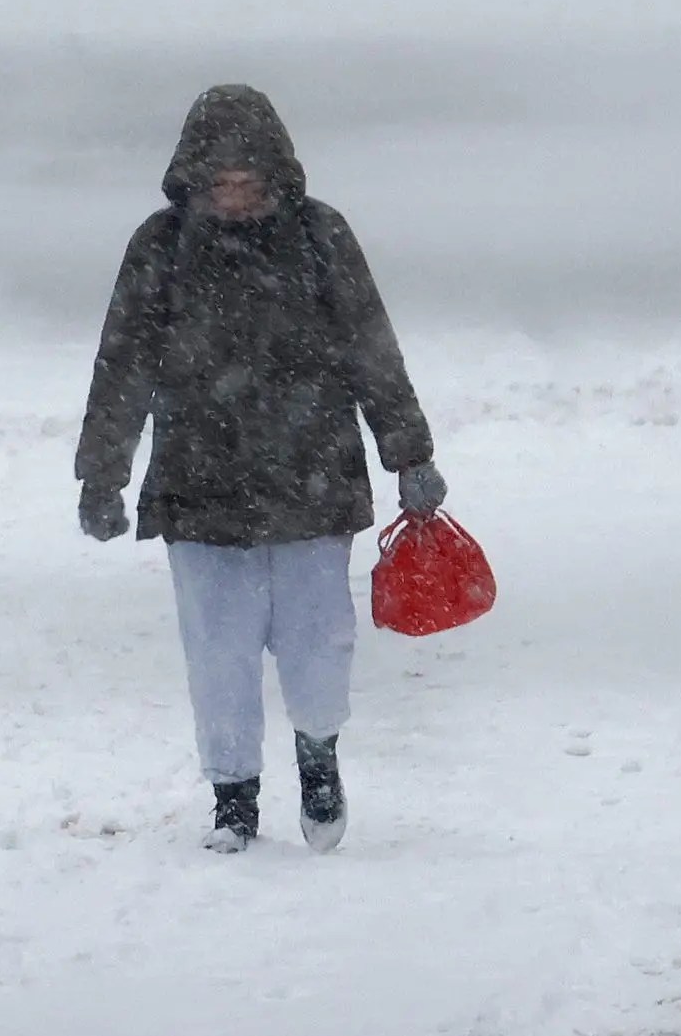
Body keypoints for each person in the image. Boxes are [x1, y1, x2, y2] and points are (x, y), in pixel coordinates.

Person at [78, 84, 444, 853]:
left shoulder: (319, 238)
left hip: (313, 474)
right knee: (218, 652)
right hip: (198, 483)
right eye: (221, 183)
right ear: (194, 180)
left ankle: (318, 757)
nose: (237, 197)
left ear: (278, 175)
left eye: (250, 182)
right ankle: (233, 801)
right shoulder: (161, 247)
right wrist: (103, 474)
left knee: (318, 641)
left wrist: (410, 453)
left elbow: (371, 348)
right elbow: (124, 364)